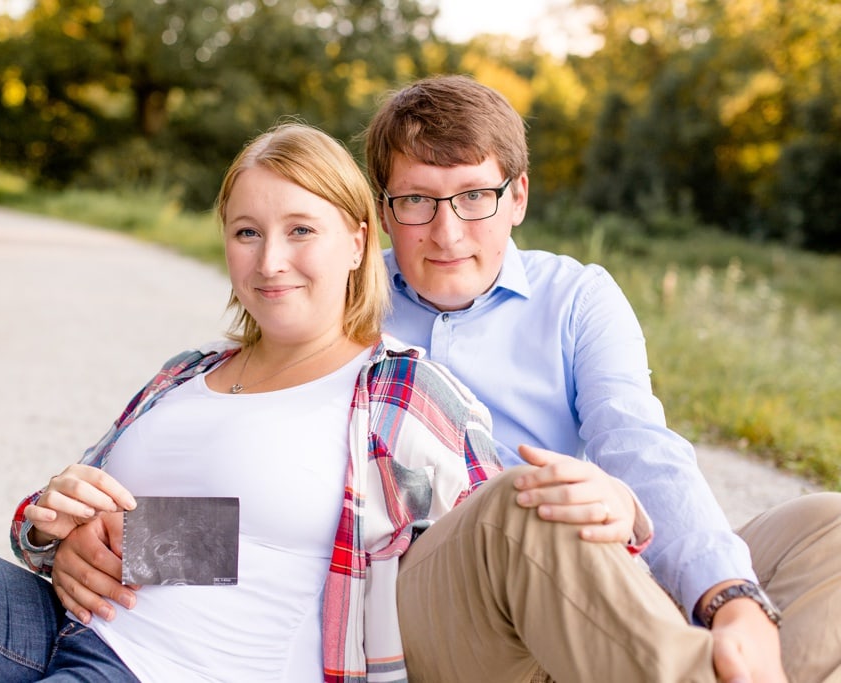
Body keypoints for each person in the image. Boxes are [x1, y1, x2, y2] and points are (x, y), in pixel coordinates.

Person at [43, 77, 841, 683]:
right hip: (443, 593)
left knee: (827, 524)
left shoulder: (575, 296)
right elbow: (274, 513)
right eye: (417, 202)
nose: (447, 232)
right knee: (523, 508)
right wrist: (114, 543)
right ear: (378, 218)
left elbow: (640, 446)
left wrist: (730, 594)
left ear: (518, 196)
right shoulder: (344, 305)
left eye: (474, 198)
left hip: (591, 552)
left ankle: (695, 654)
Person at [0, 122, 519, 681]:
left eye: (301, 229)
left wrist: (617, 517)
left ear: (359, 242)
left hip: (175, 666)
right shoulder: (183, 374)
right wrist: (57, 529)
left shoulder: (397, 390)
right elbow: (207, 538)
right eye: (248, 232)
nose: (270, 260)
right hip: (54, 631)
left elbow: (501, 563)